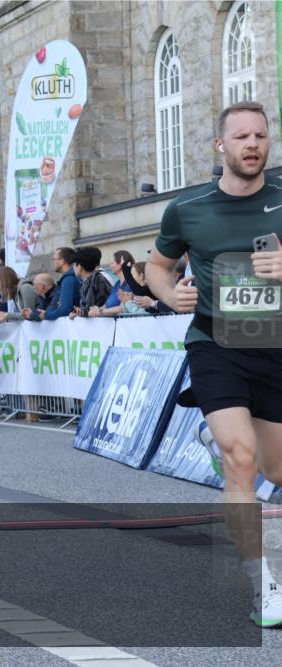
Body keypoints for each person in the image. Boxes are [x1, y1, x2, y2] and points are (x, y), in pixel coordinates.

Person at [146, 101, 282, 627]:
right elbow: (158, 266)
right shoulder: (188, 208)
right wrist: (167, 294)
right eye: (242, 137)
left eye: (261, 136)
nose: (253, 145)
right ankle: (263, 587)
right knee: (241, 458)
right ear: (220, 146)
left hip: (274, 345)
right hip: (215, 342)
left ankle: (212, 440)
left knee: (275, 469)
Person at [28, 247, 80, 321]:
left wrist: (46, 315)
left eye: (54, 259)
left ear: (62, 261)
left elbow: (64, 309)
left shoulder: (68, 280)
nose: (52, 262)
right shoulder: (68, 278)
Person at [69, 247, 111, 317]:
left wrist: (78, 313)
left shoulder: (97, 279)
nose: (73, 267)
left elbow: (91, 308)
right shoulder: (88, 280)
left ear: (79, 266)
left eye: (74, 264)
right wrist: (78, 311)